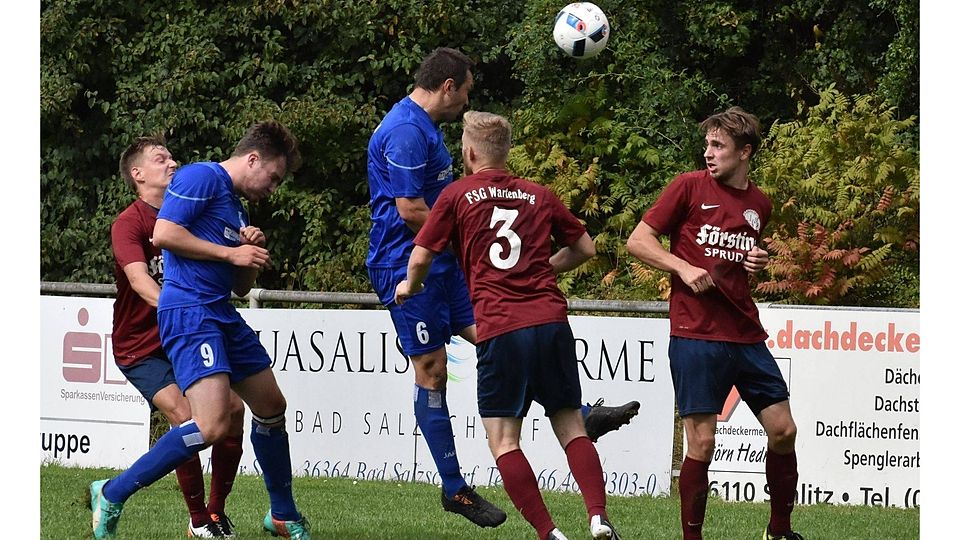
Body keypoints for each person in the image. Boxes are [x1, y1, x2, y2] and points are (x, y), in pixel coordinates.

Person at [366, 47, 638, 528]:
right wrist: (471, 244)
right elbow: (410, 211)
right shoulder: (407, 129)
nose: (468, 96)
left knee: (497, 328)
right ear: (448, 86)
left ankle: (577, 411)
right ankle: (455, 488)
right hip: (406, 262)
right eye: (467, 87)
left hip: (450, 263)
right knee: (432, 369)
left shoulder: (427, 130)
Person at [90, 121, 312, 540]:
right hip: (191, 311)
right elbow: (164, 233)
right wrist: (232, 251)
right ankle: (113, 492)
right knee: (208, 425)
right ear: (253, 159)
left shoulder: (235, 205)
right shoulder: (200, 176)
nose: (274, 188)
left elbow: (239, 286)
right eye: (274, 177)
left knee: (270, 406)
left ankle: (282, 513)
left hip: (220, 311)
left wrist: (246, 256)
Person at [626, 107, 802, 540]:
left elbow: (741, 255)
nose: (708, 152)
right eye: (707, 144)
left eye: (718, 146)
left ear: (745, 152)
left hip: (744, 332)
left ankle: (779, 532)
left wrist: (756, 259)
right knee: (702, 443)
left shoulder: (760, 203)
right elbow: (637, 240)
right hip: (695, 333)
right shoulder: (687, 187)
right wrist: (682, 268)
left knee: (784, 430)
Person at [110, 136, 246, 538]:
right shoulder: (129, 223)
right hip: (142, 346)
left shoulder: (191, 210)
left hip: (188, 333)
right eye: (160, 159)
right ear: (138, 175)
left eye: (171, 157)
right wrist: (181, 309)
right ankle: (197, 520)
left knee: (234, 413)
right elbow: (139, 281)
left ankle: (216, 512)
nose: (173, 163)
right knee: (187, 418)